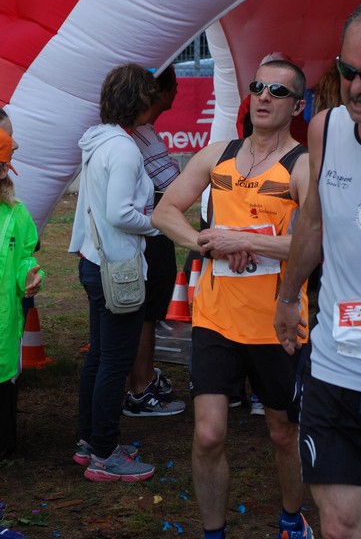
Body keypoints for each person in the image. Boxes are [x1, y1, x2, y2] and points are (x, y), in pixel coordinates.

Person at [152, 59, 313, 539]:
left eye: (278, 92)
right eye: (258, 87)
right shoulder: (218, 154)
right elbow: (165, 212)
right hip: (216, 319)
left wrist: (244, 241)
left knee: (283, 434)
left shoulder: (303, 165)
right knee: (208, 434)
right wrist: (205, 241)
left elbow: (313, 242)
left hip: (278, 322)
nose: (264, 97)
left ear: (296, 105)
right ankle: (213, 533)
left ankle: (291, 520)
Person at [274, 0, 361, 539]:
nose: (357, 88)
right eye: (349, 71)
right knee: (342, 524)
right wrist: (287, 296)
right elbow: (314, 224)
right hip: (337, 366)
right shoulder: (325, 127)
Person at [69, 63, 161, 482]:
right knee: (113, 361)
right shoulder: (123, 149)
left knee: (101, 359)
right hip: (118, 267)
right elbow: (120, 212)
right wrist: (157, 222)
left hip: (95, 261)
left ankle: (91, 441)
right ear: (140, 101)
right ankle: (105, 453)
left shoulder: (97, 143)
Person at [123, 64, 186, 417]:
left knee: (145, 310)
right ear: (161, 92)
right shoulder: (141, 133)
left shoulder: (131, 132)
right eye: (173, 86)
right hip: (151, 229)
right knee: (147, 313)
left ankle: (142, 380)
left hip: (148, 228)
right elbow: (174, 185)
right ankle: (141, 387)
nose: (176, 92)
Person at [0, 127, 44, 460]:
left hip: (4, 320)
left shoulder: (17, 215)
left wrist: (30, 276)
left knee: (2, 383)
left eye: (4, 168)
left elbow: (24, 259)